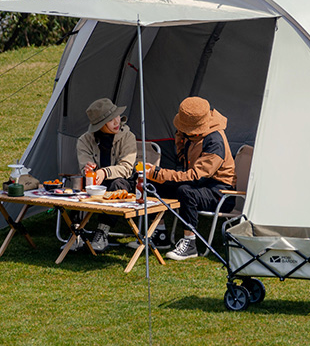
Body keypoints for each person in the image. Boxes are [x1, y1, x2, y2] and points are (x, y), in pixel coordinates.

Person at [144, 96, 235, 261]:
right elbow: (182, 158)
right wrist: (181, 136)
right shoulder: (192, 135)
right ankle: (160, 234)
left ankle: (190, 244)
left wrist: (159, 172)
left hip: (221, 192)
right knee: (152, 184)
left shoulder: (215, 141)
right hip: (201, 184)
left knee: (186, 191)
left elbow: (195, 177)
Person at [76, 98, 137, 252]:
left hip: (121, 183)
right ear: (99, 125)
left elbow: (127, 168)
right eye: (110, 120)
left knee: (118, 184)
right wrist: (88, 169)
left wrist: (105, 171)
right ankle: (75, 233)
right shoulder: (85, 140)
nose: (117, 121)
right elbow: (84, 165)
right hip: (95, 185)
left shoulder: (127, 137)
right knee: (77, 186)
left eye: (117, 116)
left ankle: (102, 231)